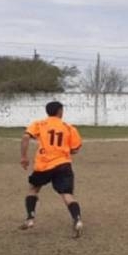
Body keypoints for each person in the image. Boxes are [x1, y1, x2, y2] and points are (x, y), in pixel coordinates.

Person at [19, 101, 84, 238]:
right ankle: (77, 220)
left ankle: (30, 218)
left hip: (43, 165)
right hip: (63, 164)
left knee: (33, 189)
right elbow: (75, 148)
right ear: (60, 111)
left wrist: (24, 157)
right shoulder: (68, 127)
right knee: (67, 194)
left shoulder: (39, 124)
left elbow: (26, 136)